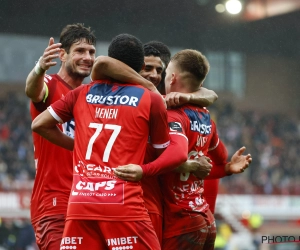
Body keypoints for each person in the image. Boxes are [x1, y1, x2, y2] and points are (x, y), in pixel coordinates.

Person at [31, 33, 187, 249]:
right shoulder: (152, 99)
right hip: (124, 203)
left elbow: (38, 124)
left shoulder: (81, 93)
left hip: (80, 203)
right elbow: (168, 152)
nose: (153, 75)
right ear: (140, 66)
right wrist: (146, 169)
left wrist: (78, 147)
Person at [160, 49, 252, 250]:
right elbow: (221, 156)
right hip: (205, 219)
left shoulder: (172, 115)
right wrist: (226, 169)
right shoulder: (206, 117)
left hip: (181, 221)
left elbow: (176, 158)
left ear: (172, 77)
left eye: (166, 73)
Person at [25, 23, 97, 249]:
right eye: (80, 51)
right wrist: (39, 69)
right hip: (55, 201)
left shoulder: (92, 95)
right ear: (62, 54)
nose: (87, 57)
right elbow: (33, 91)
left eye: (91, 52)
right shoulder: (49, 84)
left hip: (88, 200)